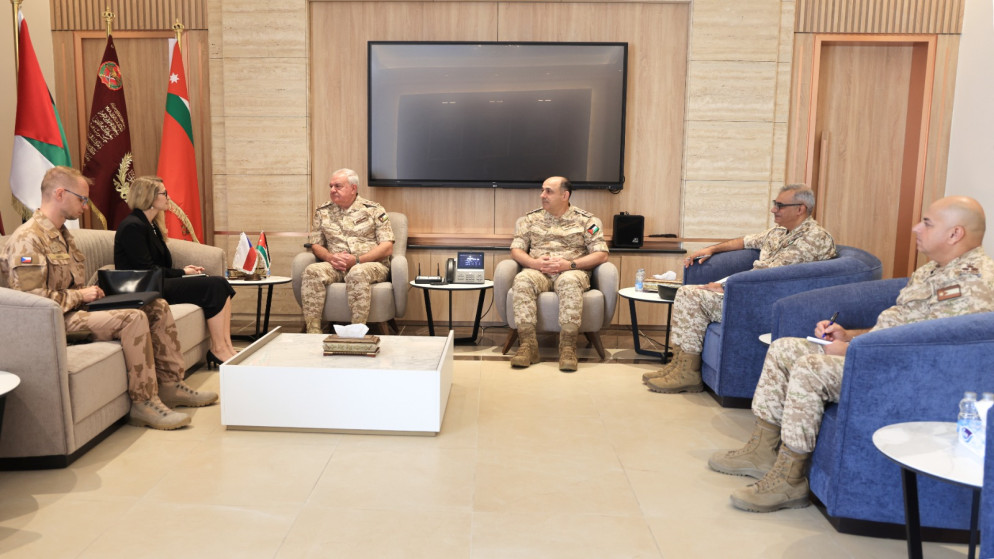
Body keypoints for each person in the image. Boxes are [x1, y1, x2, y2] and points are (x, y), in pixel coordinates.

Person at [709, 196, 994, 513]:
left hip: (905, 378)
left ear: (955, 233)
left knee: (811, 367)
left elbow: (935, 356)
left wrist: (852, 351)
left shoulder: (971, 283)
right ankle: (762, 451)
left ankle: (789, 480)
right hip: (878, 356)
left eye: (927, 223)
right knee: (784, 347)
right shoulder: (934, 270)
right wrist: (850, 336)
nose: (916, 228)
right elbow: (901, 328)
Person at [0, 167, 217, 430]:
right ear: (59, 194)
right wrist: (80, 294)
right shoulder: (28, 239)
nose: (85, 206)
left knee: (156, 306)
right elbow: (31, 304)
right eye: (81, 199)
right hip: (54, 322)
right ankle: (144, 403)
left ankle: (171, 385)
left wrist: (91, 293)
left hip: (78, 310)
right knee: (132, 318)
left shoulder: (63, 235)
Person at [644, 184, 837, 393]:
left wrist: (725, 286)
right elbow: (744, 241)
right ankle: (679, 365)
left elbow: (772, 276)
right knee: (685, 292)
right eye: (775, 204)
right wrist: (712, 249)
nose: (773, 209)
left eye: (780, 205)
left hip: (767, 301)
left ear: (800, 208)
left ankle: (688, 374)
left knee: (693, 297)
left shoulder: (814, 238)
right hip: (749, 292)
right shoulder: (779, 232)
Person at [114, 176, 238, 366]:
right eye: (164, 193)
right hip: (142, 287)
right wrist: (182, 273)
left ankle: (226, 347)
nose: (168, 197)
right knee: (213, 285)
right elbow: (147, 270)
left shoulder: (151, 225)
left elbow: (159, 265)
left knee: (220, 282)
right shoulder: (133, 226)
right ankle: (218, 349)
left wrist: (183, 271)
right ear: (149, 197)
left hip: (155, 282)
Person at [509, 176, 609, 372]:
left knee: (569, 281)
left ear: (565, 195)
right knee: (522, 279)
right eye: (542, 190)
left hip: (572, 271)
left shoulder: (587, 221)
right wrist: (533, 263)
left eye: (548, 191)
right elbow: (516, 249)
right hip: (539, 271)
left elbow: (602, 254)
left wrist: (570, 265)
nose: (542, 195)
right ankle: (528, 346)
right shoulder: (530, 219)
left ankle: (568, 348)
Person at [301, 168, 395, 332]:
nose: (332, 190)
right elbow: (315, 244)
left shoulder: (374, 210)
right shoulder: (322, 212)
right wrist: (330, 258)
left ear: (353, 188)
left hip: (370, 265)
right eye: (331, 186)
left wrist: (357, 260)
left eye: (338, 186)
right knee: (312, 271)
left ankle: (356, 331)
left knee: (357, 272)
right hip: (336, 265)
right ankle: (313, 331)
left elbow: (387, 247)